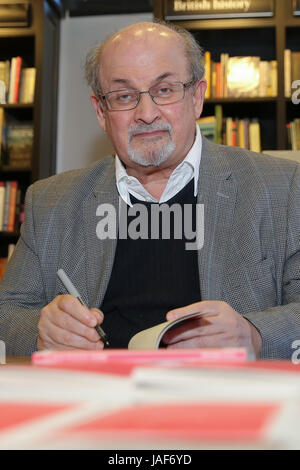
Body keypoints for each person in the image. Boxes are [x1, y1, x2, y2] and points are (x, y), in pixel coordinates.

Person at [0, 21, 299, 359]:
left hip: (227, 399)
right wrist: (41, 331)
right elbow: (6, 313)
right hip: (98, 398)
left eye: (165, 90)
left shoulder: (283, 188)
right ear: (101, 111)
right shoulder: (50, 201)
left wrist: (255, 335)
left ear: (197, 97)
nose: (145, 114)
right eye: (124, 96)